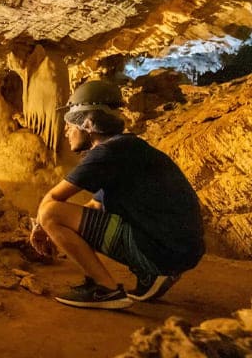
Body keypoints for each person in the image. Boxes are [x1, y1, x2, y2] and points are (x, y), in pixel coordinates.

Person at [31, 80, 204, 309]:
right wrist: (58, 234)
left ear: (88, 124)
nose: (65, 131)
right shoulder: (124, 148)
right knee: (70, 214)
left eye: (71, 124)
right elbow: (95, 207)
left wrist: (43, 226)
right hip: (177, 247)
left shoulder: (108, 152)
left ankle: (106, 291)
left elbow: (51, 201)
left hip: (165, 249)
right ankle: (151, 274)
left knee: (51, 212)